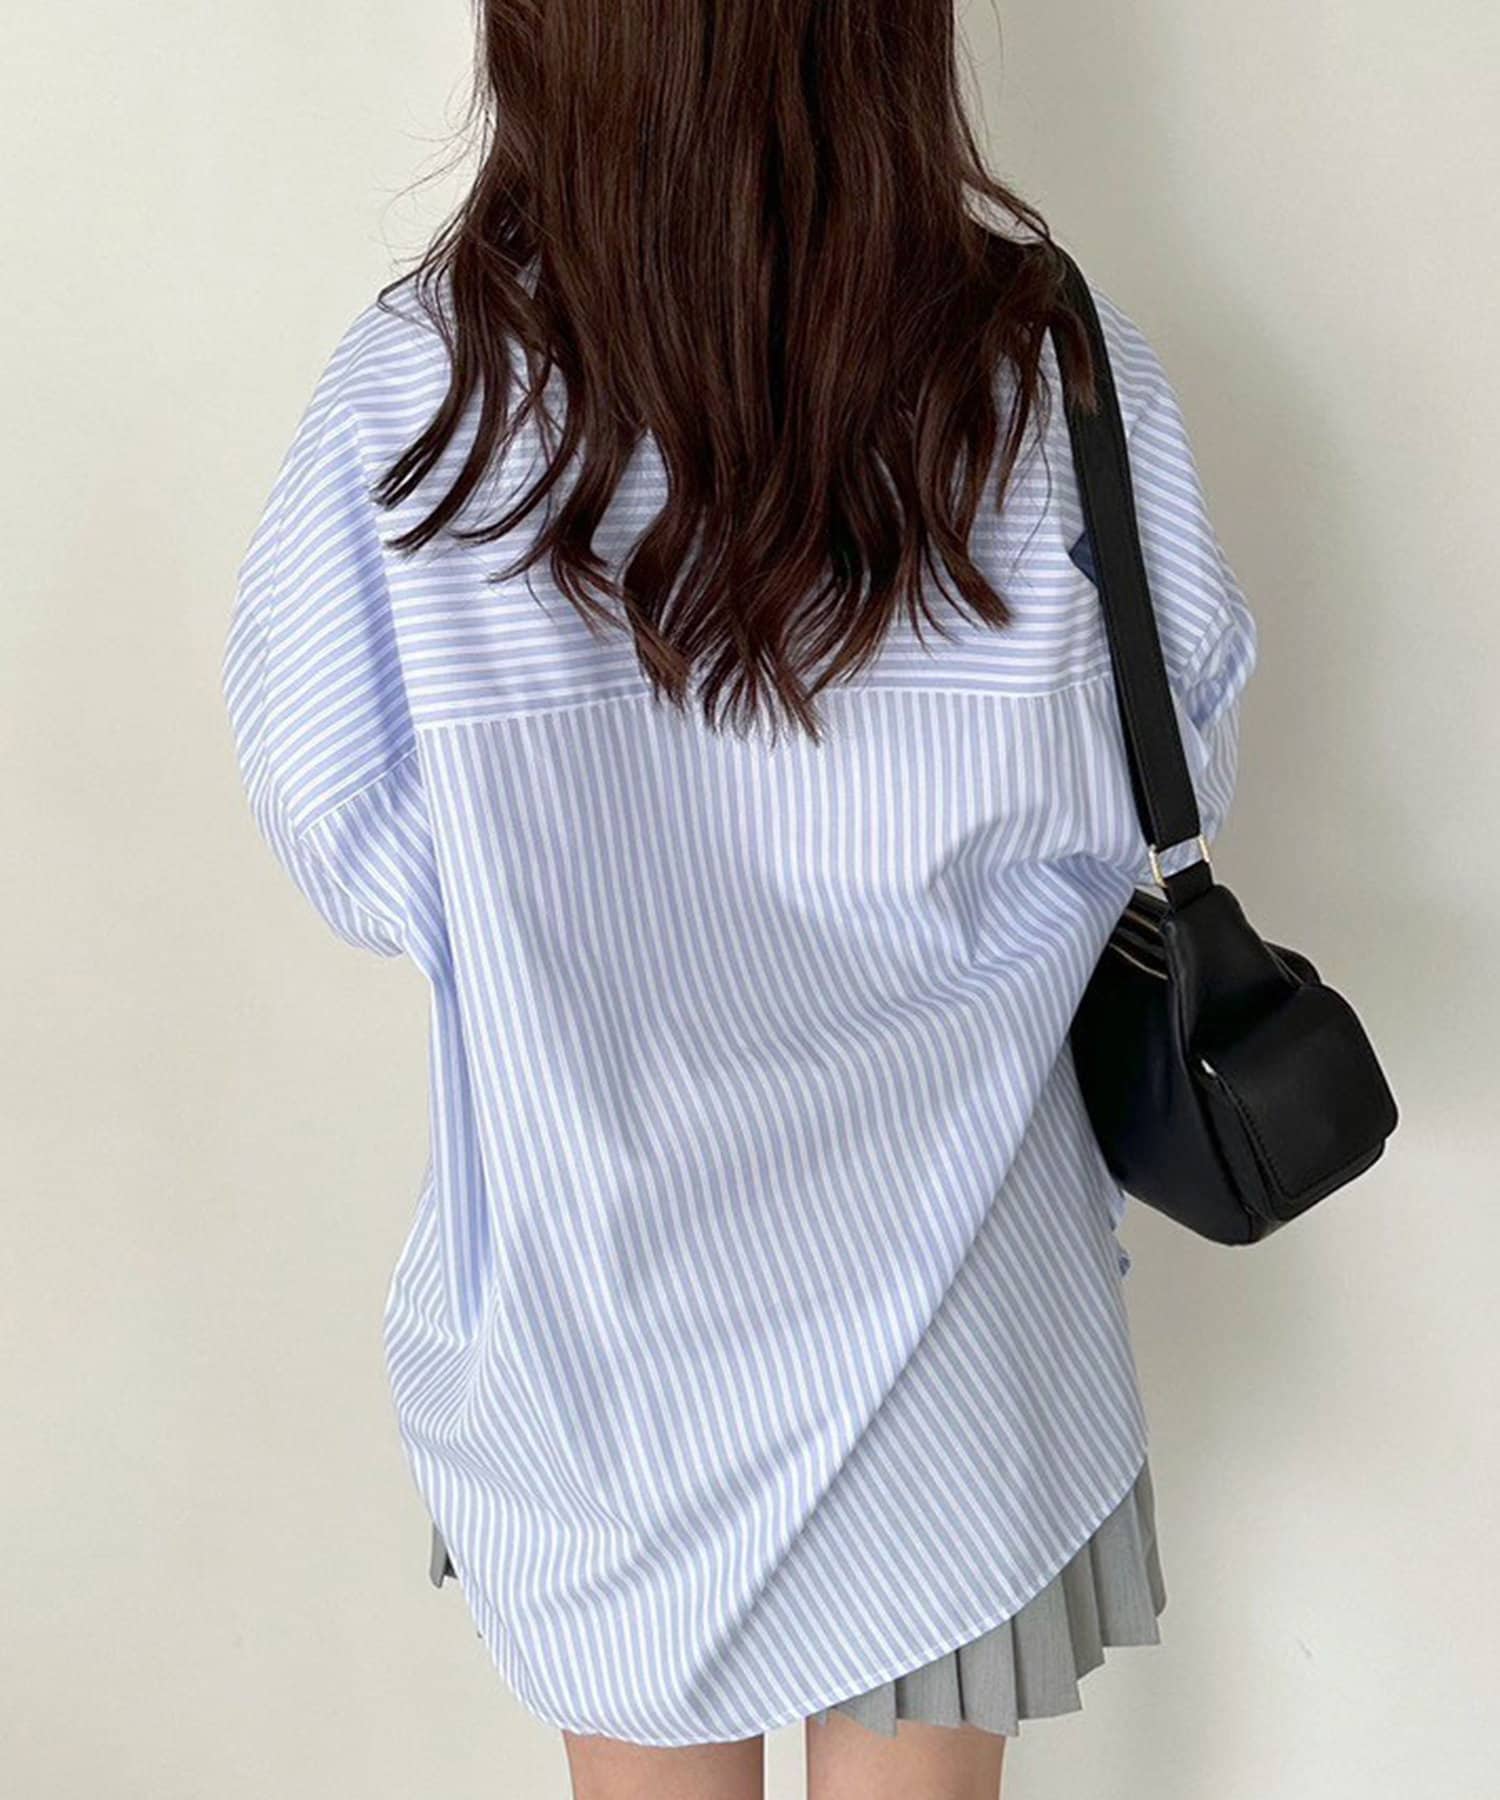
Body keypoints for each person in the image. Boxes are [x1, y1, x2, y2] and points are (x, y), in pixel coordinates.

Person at [220, 3, 1256, 1795]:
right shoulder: (1047, 367)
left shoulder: (423, 392)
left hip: (600, 1316)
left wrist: (568, 908)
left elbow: (336, 816)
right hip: (958, 1303)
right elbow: (1184, 749)